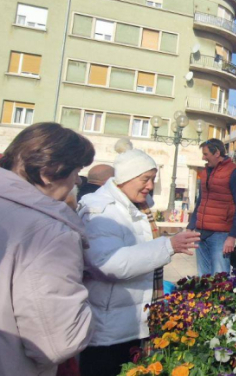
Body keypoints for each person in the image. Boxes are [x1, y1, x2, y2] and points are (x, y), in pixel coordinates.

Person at [78, 147, 201, 376]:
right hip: (108, 330)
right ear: (126, 178)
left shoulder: (137, 208)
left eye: (153, 179)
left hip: (130, 323)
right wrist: (168, 246)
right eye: (145, 179)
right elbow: (108, 263)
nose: (150, 186)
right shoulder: (103, 211)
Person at [0, 123, 95, 376]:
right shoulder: (50, 232)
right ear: (47, 172)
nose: (77, 180)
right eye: (76, 171)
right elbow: (58, 342)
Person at [192, 139, 236, 275]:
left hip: (220, 235)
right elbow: (200, 201)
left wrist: (232, 237)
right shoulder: (205, 172)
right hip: (201, 233)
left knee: (220, 279)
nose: (203, 158)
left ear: (217, 153)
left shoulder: (234, 172)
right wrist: (190, 227)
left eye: (206, 154)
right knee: (203, 279)